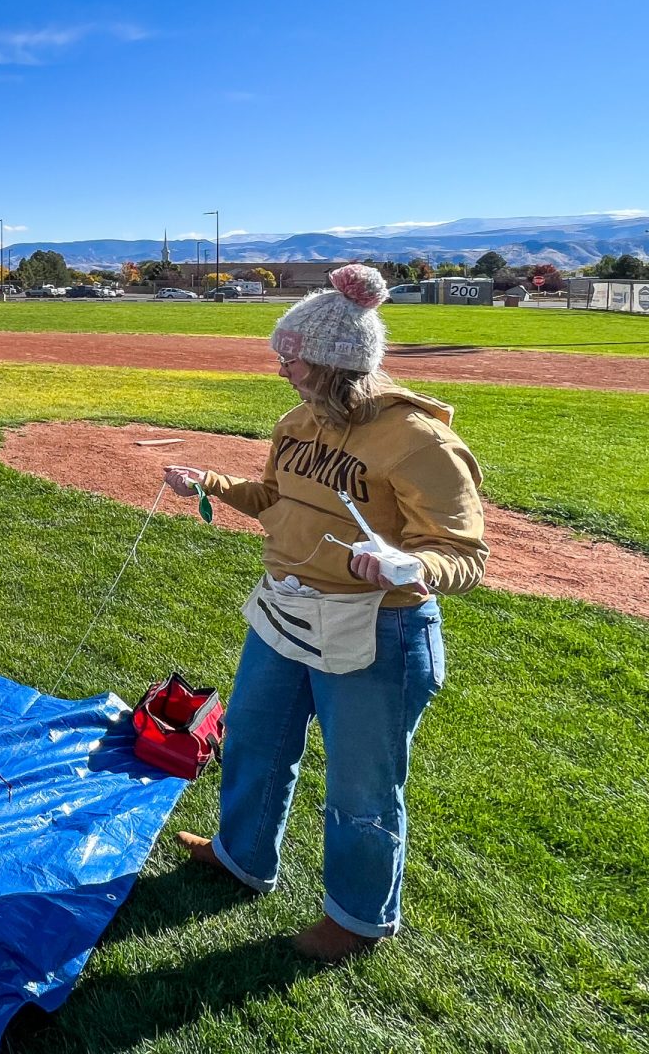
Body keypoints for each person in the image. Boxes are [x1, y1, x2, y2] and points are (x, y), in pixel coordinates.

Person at [162, 264, 485, 962]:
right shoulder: (297, 422)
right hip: (285, 613)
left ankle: (357, 918)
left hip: (379, 633)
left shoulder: (419, 441)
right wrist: (210, 482)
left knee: (362, 786)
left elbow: (464, 554)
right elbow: (276, 499)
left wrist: (415, 566)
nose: (282, 368)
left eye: (292, 356)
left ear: (335, 363)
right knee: (252, 739)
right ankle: (240, 856)